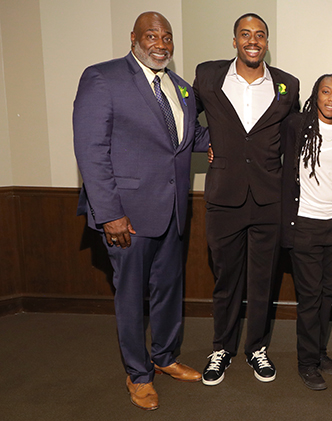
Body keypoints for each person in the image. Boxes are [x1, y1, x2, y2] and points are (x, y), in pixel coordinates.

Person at [73, 11, 209, 410]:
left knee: (168, 291)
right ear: (134, 37)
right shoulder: (103, 78)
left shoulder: (181, 88)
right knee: (130, 297)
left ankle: (164, 357)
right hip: (126, 216)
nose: (161, 44)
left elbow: (190, 139)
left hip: (172, 212)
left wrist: (241, 136)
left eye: (167, 37)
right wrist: (109, 212)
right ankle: (138, 374)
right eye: (152, 35)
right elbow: (91, 151)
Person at [193, 13, 300, 386]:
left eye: (260, 35)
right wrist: (203, 143)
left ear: (266, 42)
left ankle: (257, 347)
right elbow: (186, 120)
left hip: (270, 199)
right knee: (226, 277)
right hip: (224, 196)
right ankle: (221, 347)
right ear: (234, 40)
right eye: (245, 34)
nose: (252, 40)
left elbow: (296, 136)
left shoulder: (288, 84)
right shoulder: (208, 76)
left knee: (262, 279)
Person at [279, 74, 332, 390]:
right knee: (310, 298)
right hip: (305, 227)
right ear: (316, 94)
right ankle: (307, 362)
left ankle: (319, 352)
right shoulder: (296, 126)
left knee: (327, 296)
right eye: (326, 91)